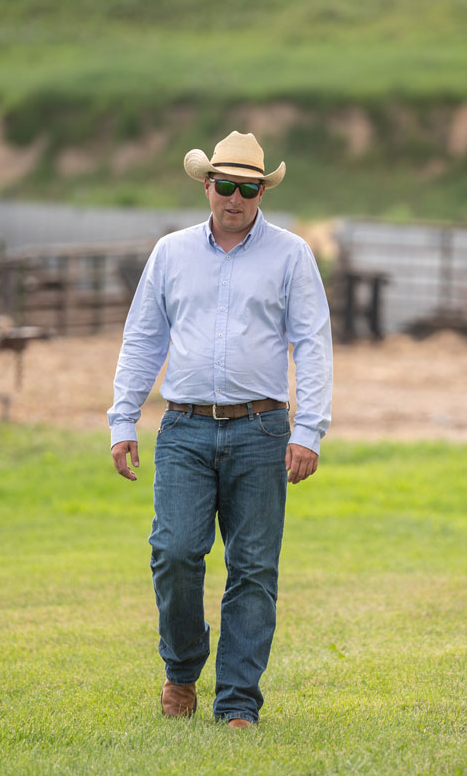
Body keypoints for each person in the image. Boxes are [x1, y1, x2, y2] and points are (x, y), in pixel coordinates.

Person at [108, 131, 333, 729]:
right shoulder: (170, 253)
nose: (235, 198)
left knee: (254, 567)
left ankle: (237, 700)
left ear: (261, 191)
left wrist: (308, 428)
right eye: (226, 185)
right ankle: (182, 670)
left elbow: (312, 345)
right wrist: (123, 417)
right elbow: (143, 338)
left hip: (262, 429)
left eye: (248, 188)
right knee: (175, 552)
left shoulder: (292, 255)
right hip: (182, 427)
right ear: (206, 185)